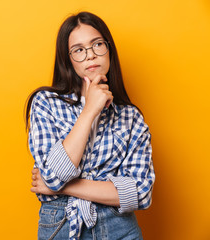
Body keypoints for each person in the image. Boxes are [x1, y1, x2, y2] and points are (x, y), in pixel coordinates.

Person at [25, 12, 155, 240]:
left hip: (120, 230)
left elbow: (139, 193)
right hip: (61, 227)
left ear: (109, 50)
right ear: (68, 59)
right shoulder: (45, 103)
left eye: (97, 45)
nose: (91, 55)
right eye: (79, 49)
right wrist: (89, 111)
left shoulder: (131, 118)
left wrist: (61, 187)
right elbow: (56, 175)